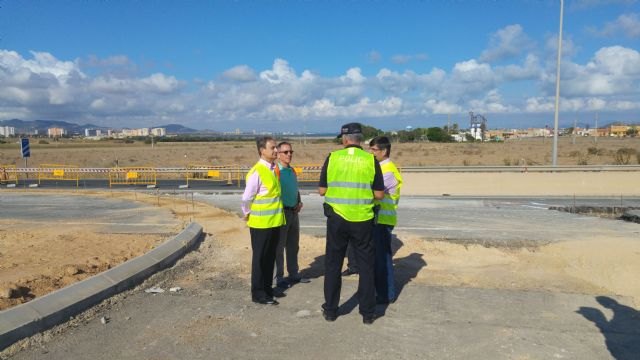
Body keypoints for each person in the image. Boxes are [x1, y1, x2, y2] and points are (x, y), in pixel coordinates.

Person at [318, 122, 385, 325]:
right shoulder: (370, 160)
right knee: (366, 266)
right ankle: (367, 313)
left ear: (345, 140)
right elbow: (379, 194)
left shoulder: (333, 158)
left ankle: (330, 310)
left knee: (333, 264)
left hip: (337, 219)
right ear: (360, 140)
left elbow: (322, 190)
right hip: (363, 220)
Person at [241, 136, 286, 305]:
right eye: (273, 148)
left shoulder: (273, 168)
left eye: (276, 148)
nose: (276, 151)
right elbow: (246, 198)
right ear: (262, 150)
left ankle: (267, 289)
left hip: (274, 222)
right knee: (260, 258)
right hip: (260, 224)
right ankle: (258, 293)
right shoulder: (257, 171)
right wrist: (247, 213)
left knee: (269, 257)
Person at [369, 136, 402, 304]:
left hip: (383, 220)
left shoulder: (387, 170)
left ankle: (385, 294)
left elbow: (374, 191)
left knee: (382, 259)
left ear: (384, 151)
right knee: (380, 258)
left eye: (374, 150)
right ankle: (382, 292)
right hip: (379, 219)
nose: (371, 153)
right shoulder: (381, 167)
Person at [273, 141, 309, 289]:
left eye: (291, 152)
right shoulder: (276, 171)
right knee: (279, 247)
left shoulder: (292, 170)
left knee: (293, 246)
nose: (289, 155)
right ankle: (278, 278)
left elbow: (294, 188)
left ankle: (293, 273)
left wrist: (299, 201)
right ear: (278, 154)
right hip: (282, 213)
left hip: (294, 212)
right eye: (286, 152)